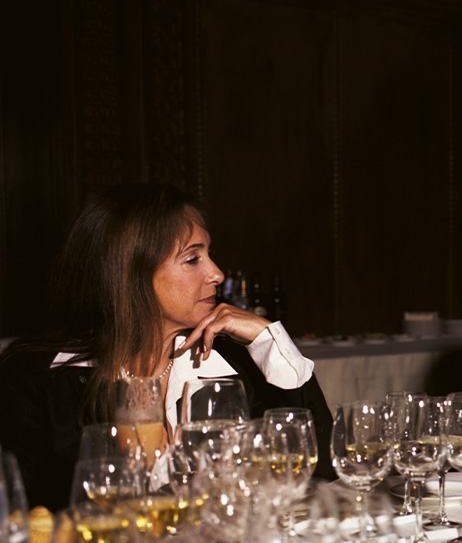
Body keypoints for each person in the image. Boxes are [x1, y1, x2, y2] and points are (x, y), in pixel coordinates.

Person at [0, 183, 333, 509]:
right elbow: (14, 512)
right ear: (131, 274)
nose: (216, 273)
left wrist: (268, 340)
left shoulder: (229, 365)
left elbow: (318, 472)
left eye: (209, 255)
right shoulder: (37, 378)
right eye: (192, 259)